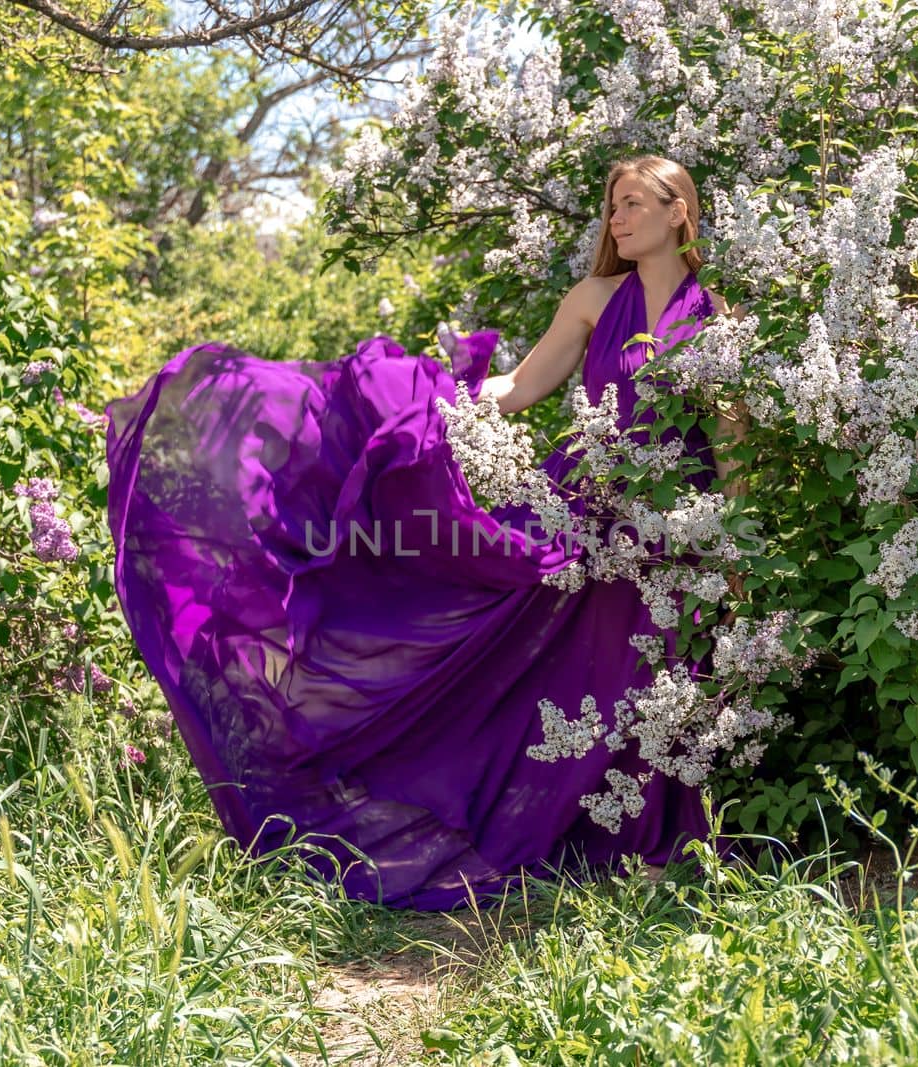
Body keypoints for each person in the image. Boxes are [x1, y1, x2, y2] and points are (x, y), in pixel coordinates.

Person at [103, 154, 750, 910]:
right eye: (612, 205)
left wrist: (733, 538)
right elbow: (522, 386)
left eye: (634, 202)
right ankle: (563, 833)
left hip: (681, 516)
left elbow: (731, 439)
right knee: (589, 665)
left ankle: (662, 847)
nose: (617, 217)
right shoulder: (593, 298)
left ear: (679, 212)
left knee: (667, 668)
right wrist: (431, 401)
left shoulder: (717, 319)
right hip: (597, 503)